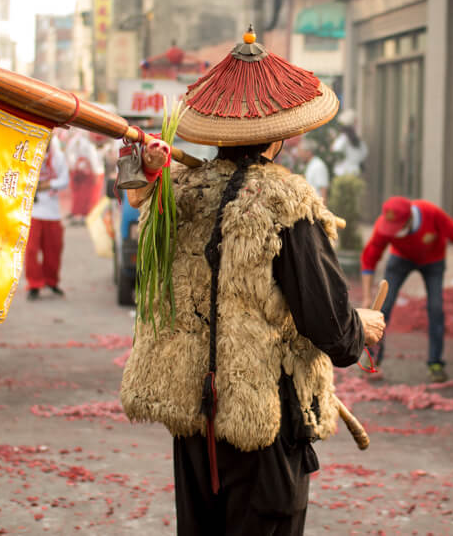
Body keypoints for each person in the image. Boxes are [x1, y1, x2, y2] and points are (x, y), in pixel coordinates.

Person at [120, 28, 385, 535]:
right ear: (281, 134)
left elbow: (136, 195)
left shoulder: (181, 191)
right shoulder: (286, 200)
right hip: (262, 422)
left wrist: (143, 171)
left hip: (198, 423)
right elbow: (327, 321)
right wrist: (362, 328)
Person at [361, 195, 453, 382]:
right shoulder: (384, 226)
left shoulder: (432, 213)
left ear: (409, 220)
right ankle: (373, 358)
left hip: (433, 262)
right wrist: (367, 296)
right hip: (400, 259)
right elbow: (369, 259)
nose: (392, 232)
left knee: (436, 309)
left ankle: (435, 363)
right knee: (383, 307)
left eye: (397, 228)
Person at [26, 135, 69, 300]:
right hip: (33, 211)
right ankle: (34, 284)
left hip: (52, 212)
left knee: (54, 250)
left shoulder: (58, 156)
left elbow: (64, 179)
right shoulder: (29, 152)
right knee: (31, 251)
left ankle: (51, 281)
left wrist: (47, 185)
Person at [66, 130, 104, 224]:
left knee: (80, 195)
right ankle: (88, 215)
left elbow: (69, 155)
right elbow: (93, 157)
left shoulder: (74, 140)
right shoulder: (88, 142)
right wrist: (95, 172)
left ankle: (79, 215)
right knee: (91, 195)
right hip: (91, 172)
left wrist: (74, 167)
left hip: (79, 170)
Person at [332, 111, 368, 178]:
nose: (357, 125)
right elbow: (364, 153)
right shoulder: (345, 139)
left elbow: (336, 152)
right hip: (350, 173)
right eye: (356, 122)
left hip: (345, 173)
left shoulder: (344, 138)